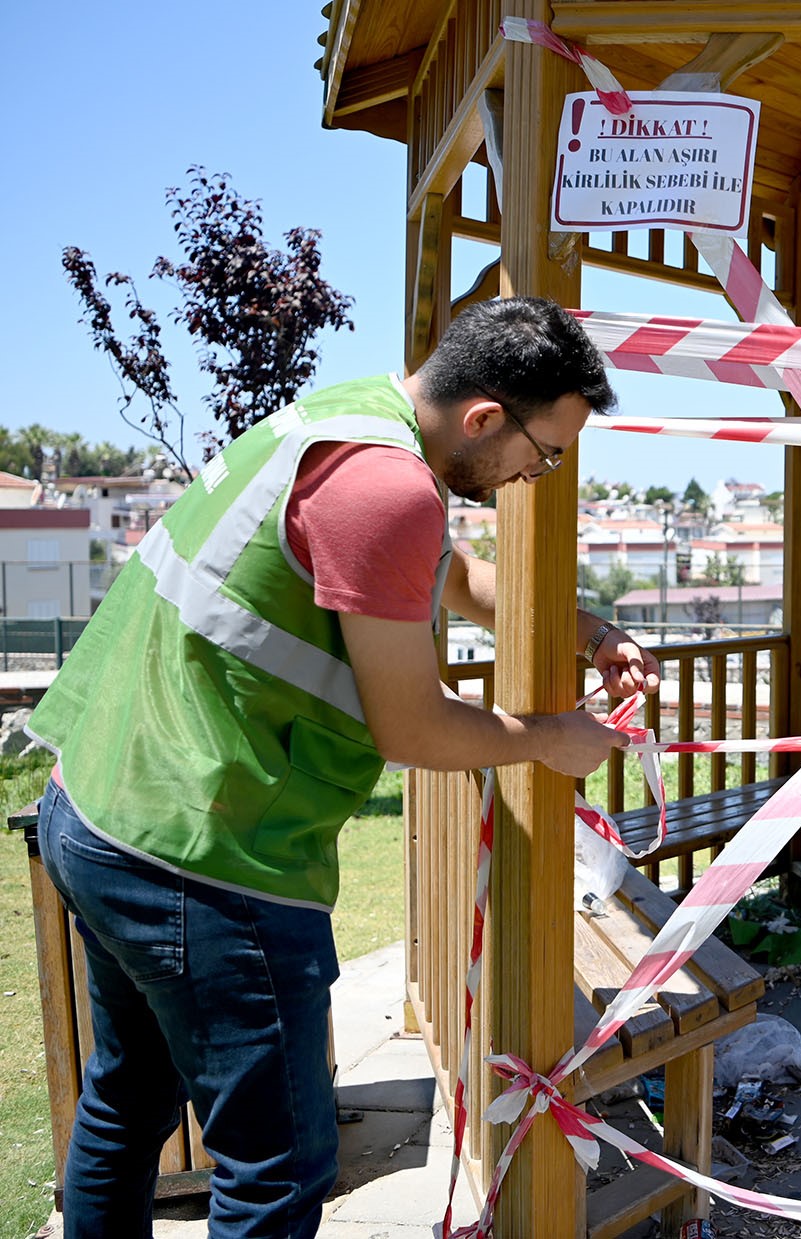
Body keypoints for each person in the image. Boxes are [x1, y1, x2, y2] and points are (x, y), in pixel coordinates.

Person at [27, 296, 659, 1237]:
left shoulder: (357, 422)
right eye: (546, 451)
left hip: (101, 807)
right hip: (208, 856)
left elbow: (452, 580)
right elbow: (413, 729)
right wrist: (544, 737)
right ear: (487, 416)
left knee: (127, 1106)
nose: (538, 474)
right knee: (277, 1166)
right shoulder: (389, 489)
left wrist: (592, 630)